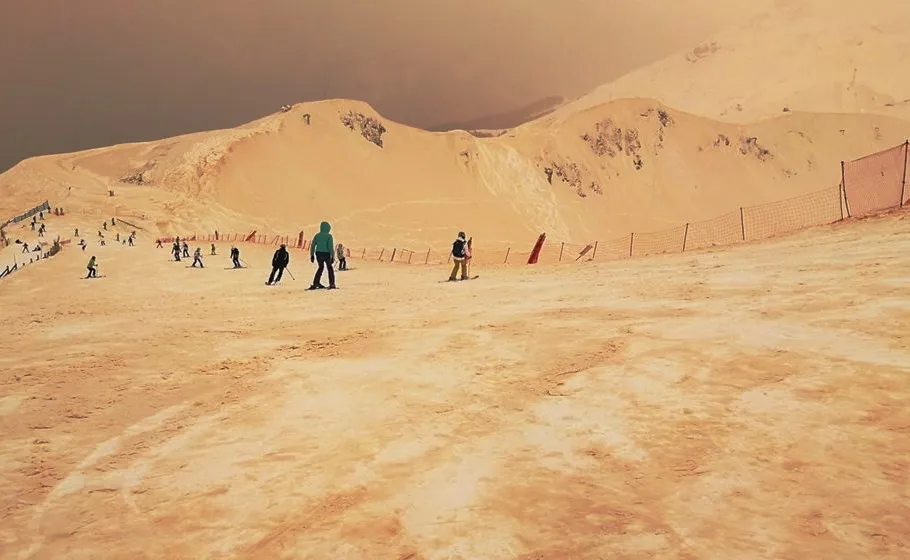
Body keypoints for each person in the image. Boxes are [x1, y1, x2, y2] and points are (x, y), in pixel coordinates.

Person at [309, 221, 336, 289]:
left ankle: (316, 282)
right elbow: (330, 247)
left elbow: (313, 245)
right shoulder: (329, 236)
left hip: (318, 253)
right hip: (326, 254)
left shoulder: (317, 235)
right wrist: (332, 256)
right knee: (330, 268)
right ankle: (332, 283)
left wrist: (312, 255)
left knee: (320, 267)